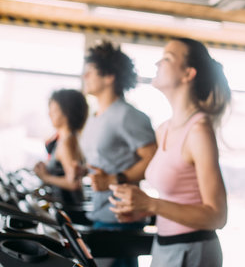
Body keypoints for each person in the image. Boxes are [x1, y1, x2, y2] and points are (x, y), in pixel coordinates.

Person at [108, 37, 230, 267]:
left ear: (188, 74)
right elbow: (175, 200)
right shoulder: (163, 129)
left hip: (193, 250)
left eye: (167, 58)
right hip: (164, 246)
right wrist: (141, 211)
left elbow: (217, 216)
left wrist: (151, 204)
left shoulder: (198, 131)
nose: (157, 63)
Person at [80, 40, 157, 267]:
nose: (85, 77)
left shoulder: (128, 115)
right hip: (99, 215)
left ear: (109, 76)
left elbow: (152, 157)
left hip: (122, 218)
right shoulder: (96, 116)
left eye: (90, 72)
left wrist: (114, 180)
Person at [34, 89, 88, 206]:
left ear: (66, 112)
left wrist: (45, 177)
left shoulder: (66, 143)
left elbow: (73, 183)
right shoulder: (71, 137)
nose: (49, 114)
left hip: (69, 208)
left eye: (54, 110)